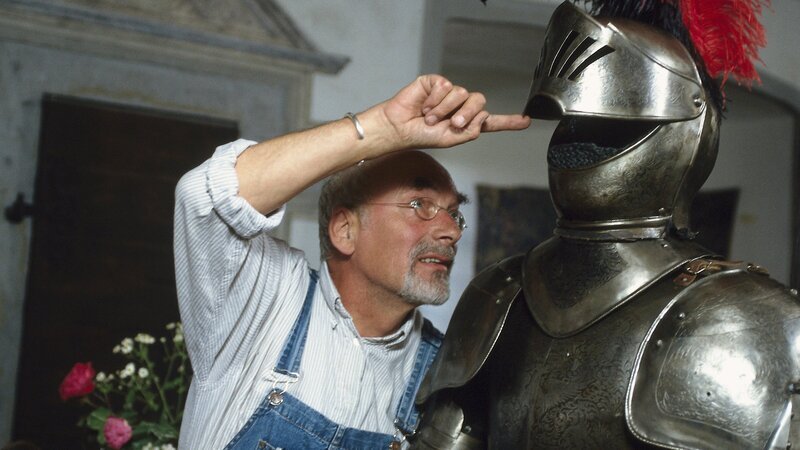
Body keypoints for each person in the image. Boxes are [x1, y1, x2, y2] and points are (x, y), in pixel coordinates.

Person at [412, 2, 800, 449]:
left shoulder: (750, 315)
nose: (577, 144)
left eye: (611, 130)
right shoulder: (499, 293)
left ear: (685, 129)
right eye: (575, 127)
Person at [173, 74, 531, 449]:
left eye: (454, 213)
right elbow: (204, 197)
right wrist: (384, 128)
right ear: (345, 230)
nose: (451, 231)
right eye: (420, 205)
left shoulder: (448, 375)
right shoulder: (263, 301)